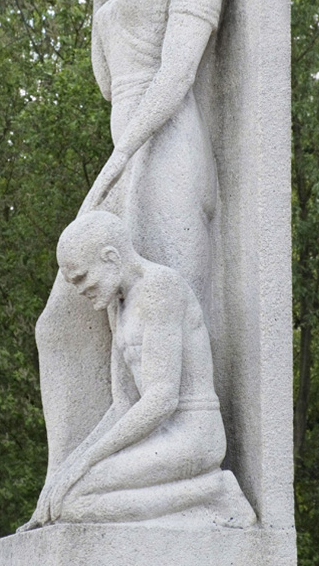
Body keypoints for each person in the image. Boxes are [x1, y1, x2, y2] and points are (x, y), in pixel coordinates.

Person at [34, 0, 230, 481]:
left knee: (167, 294)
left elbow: (176, 75)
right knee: (65, 319)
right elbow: (108, 81)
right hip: (128, 143)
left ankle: (180, 463)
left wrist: (122, 161)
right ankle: (77, 471)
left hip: (166, 146)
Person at [23, 212, 254, 528]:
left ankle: (213, 492)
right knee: (64, 497)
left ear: (110, 257)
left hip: (193, 435)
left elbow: (162, 399)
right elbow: (123, 404)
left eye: (81, 277)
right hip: (157, 438)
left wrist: (85, 462)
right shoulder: (116, 305)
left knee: (73, 503)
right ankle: (206, 493)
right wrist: (68, 466)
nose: (79, 289)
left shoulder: (161, 288)